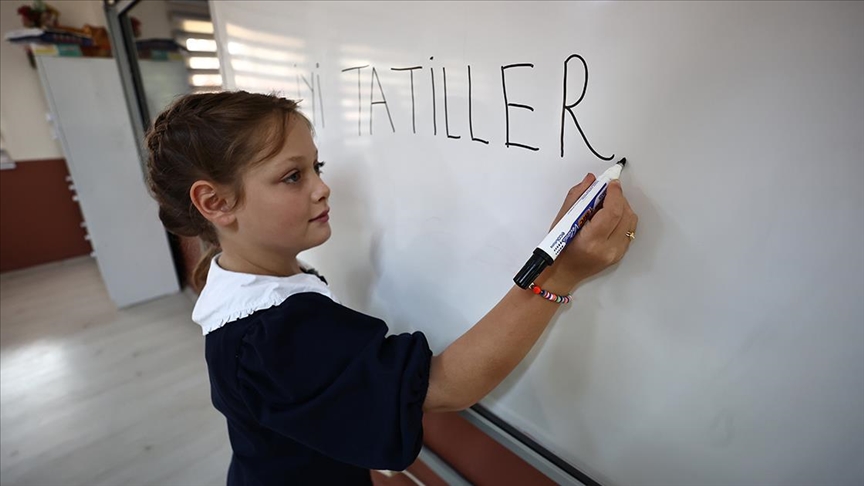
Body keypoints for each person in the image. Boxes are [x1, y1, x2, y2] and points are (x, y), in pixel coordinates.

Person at [144, 90, 638, 485]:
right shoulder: (272, 334)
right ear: (216, 203)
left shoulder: (247, 284)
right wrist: (559, 273)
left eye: (317, 167)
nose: (321, 187)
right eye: (292, 176)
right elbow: (445, 385)